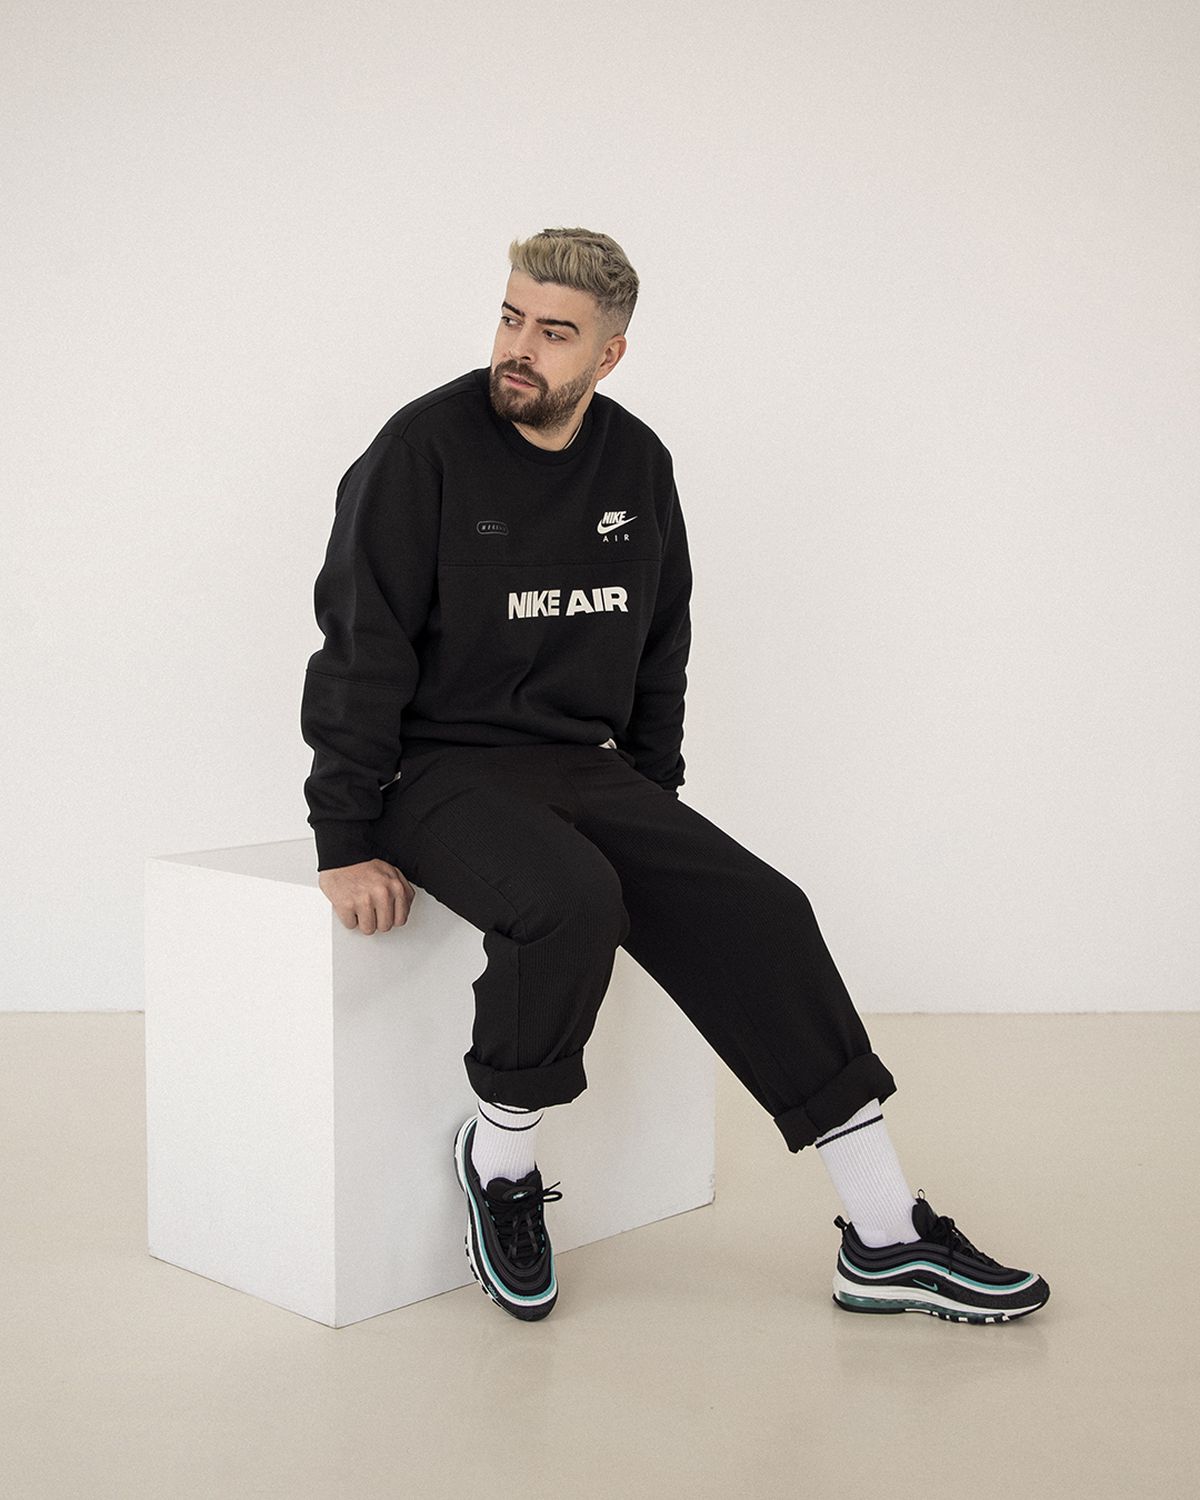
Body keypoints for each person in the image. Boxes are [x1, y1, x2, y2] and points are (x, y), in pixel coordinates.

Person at [300, 226, 1049, 1326]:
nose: (520, 348)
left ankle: (885, 1234)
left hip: (582, 764)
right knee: (571, 903)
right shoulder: (422, 451)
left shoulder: (637, 463)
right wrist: (343, 836)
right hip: (438, 769)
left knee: (763, 910)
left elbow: (660, 642)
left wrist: (654, 801)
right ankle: (499, 1160)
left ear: (608, 354)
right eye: (510, 318)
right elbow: (360, 646)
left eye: (555, 332)